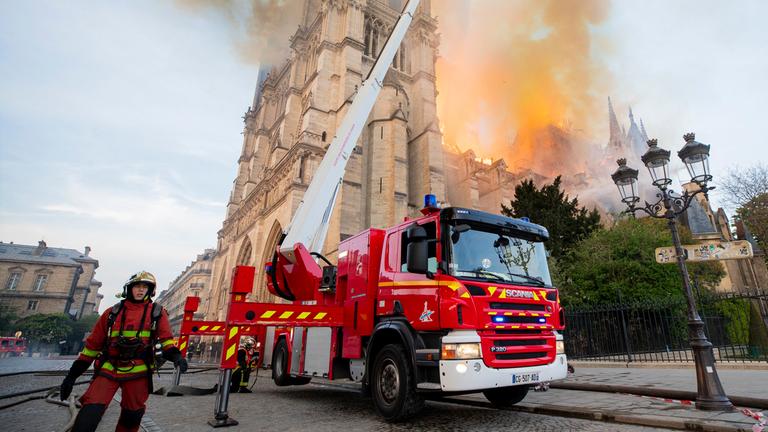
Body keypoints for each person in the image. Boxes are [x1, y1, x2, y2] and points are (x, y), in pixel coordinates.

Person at [59, 271, 188, 432]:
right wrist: (71, 377)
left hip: (139, 372)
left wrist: (177, 357)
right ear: (129, 289)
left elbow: (166, 341)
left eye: (144, 287)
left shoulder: (156, 312)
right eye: (137, 287)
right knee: (90, 412)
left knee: (131, 417)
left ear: (150, 291)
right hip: (109, 368)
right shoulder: (112, 313)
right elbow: (91, 348)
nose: (141, 290)